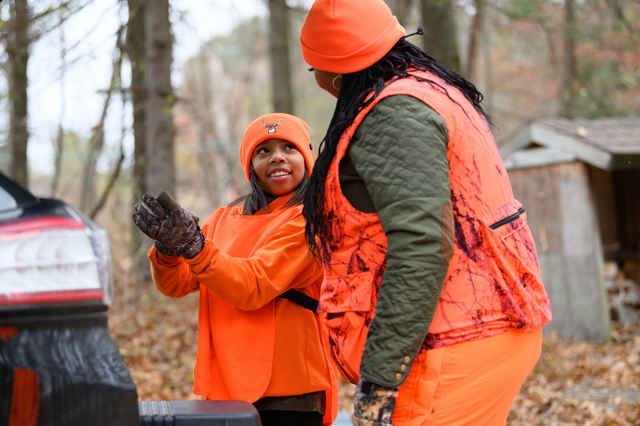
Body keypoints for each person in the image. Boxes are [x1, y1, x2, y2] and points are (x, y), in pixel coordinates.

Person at [298, 1, 553, 425]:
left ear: (337, 71)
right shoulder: (433, 91)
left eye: (315, 69)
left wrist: (380, 379)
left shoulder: (394, 114)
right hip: (487, 325)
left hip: (451, 345)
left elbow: (423, 244)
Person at [131, 113, 338, 426]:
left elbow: (253, 285)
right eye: (263, 150)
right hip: (226, 385)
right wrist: (168, 249)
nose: (277, 157)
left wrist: (195, 247)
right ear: (250, 164)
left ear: (307, 157)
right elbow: (176, 284)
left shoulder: (311, 220)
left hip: (289, 393)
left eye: (289, 148)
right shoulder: (223, 218)